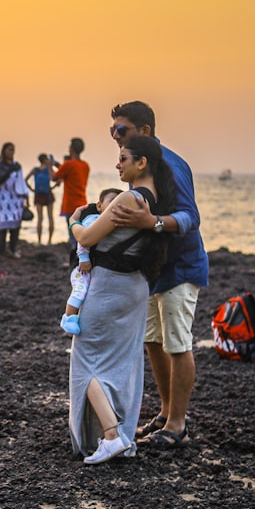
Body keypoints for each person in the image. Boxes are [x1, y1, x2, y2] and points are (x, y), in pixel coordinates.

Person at [108, 101, 208, 449]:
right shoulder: (137, 163)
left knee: (178, 344)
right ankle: (166, 413)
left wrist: (153, 223)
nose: (116, 139)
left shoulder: (171, 165)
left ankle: (178, 424)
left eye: (122, 131)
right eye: (112, 132)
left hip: (181, 267)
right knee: (152, 340)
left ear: (145, 131)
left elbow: (190, 217)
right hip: (153, 269)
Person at [69, 136, 174, 464]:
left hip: (109, 290)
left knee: (85, 361)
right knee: (118, 364)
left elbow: (87, 237)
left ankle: (112, 435)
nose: (118, 164)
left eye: (124, 158)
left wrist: (74, 220)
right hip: (134, 287)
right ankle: (118, 436)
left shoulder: (129, 199)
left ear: (141, 163)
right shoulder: (157, 198)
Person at [61, 188, 122, 335]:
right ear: (100, 206)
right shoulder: (93, 219)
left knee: (88, 293)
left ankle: (78, 315)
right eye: (111, 201)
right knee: (80, 290)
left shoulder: (109, 222)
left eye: (118, 202)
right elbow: (83, 240)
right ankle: (68, 318)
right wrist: (84, 259)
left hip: (89, 264)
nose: (114, 205)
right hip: (81, 264)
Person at [0, 142, 29, 258]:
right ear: (4, 151)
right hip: (3, 200)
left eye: (12, 150)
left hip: (16, 200)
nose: (11, 152)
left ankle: (13, 249)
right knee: (2, 227)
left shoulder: (17, 167)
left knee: (15, 228)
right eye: (9, 150)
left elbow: (21, 183)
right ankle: (0, 250)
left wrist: (26, 198)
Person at [52, 138, 90, 261]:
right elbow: (69, 172)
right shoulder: (85, 165)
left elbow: (54, 177)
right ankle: (83, 259)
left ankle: (76, 261)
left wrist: (48, 166)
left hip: (70, 204)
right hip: (83, 203)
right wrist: (58, 165)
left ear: (71, 149)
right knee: (80, 235)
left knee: (73, 237)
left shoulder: (68, 165)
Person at [25, 154, 56, 244]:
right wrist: (53, 187)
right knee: (50, 217)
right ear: (45, 160)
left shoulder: (35, 170)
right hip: (48, 194)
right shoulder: (48, 169)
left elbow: (25, 179)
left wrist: (31, 189)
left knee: (40, 218)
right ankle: (49, 241)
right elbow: (54, 178)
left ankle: (39, 241)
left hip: (38, 194)